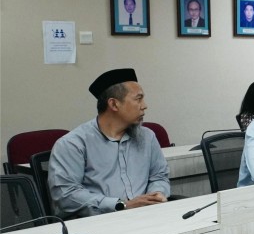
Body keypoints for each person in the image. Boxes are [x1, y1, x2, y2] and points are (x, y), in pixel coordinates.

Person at [48, 68, 170, 217]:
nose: (144, 105)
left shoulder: (147, 137)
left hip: (147, 216)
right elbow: (66, 195)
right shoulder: (73, 144)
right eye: (138, 99)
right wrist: (121, 205)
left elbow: (159, 176)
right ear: (114, 104)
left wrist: (156, 195)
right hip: (98, 222)